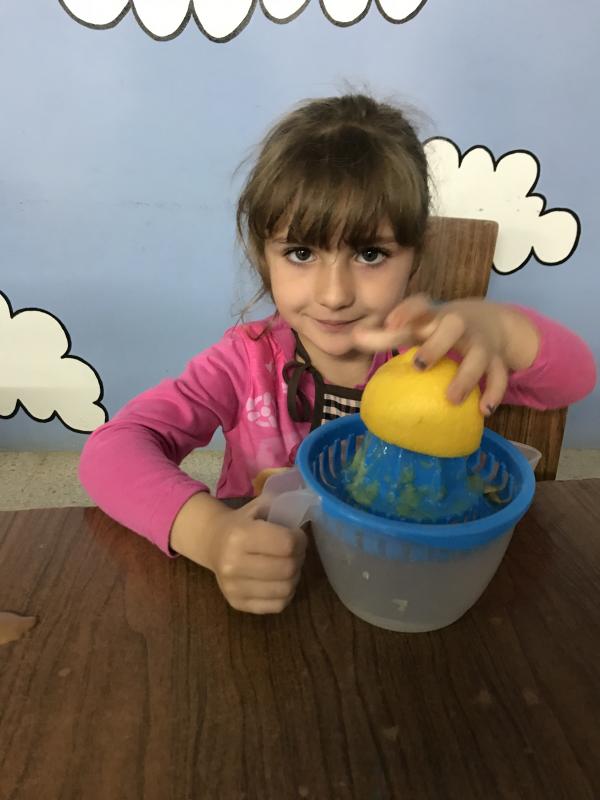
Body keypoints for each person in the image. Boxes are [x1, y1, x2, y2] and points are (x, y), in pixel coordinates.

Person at [79, 93, 596, 615]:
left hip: (409, 577)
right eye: (301, 253)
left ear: (415, 256)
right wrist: (212, 535)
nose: (334, 295)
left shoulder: (438, 356)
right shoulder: (242, 363)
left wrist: (499, 330)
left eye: (370, 254)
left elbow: (575, 377)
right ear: (264, 257)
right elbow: (110, 452)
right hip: (279, 582)